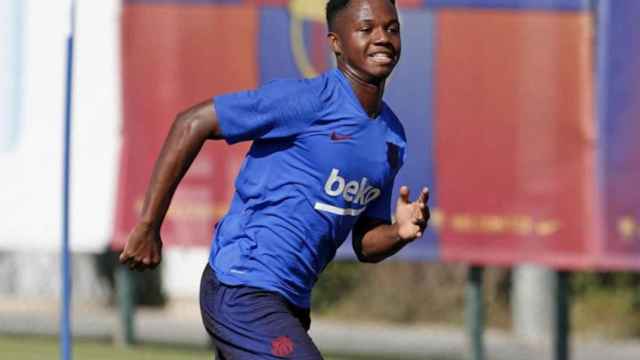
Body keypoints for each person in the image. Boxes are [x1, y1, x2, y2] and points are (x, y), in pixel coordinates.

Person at [119, 0, 430, 357]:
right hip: (242, 286)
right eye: (366, 29)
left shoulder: (392, 138)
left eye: (391, 28)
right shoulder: (308, 100)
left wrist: (400, 232)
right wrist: (148, 224)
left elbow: (365, 243)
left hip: (290, 302)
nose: (382, 38)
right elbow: (191, 123)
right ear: (336, 42)